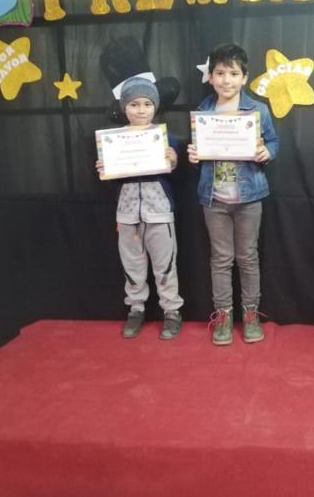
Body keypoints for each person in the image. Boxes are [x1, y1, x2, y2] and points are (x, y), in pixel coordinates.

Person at [187, 43, 279, 345]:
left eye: (233, 73)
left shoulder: (258, 110)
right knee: (221, 259)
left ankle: (251, 314)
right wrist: (194, 155)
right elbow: (198, 151)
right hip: (214, 198)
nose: (226, 80)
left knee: (248, 258)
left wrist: (267, 152)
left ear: (244, 77)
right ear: (211, 77)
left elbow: (274, 142)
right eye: (220, 73)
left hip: (249, 197)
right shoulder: (203, 111)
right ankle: (223, 315)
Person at [97, 76, 184, 340]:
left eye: (147, 104)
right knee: (132, 264)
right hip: (127, 213)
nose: (141, 110)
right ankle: (136, 309)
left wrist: (173, 160)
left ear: (155, 107)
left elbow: (176, 172)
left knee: (165, 265)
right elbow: (113, 176)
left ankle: (172, 311)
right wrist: (105, 168)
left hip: (159, 212)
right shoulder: (113, 140)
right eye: (134, 104)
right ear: (124, 108)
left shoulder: (166, 137)